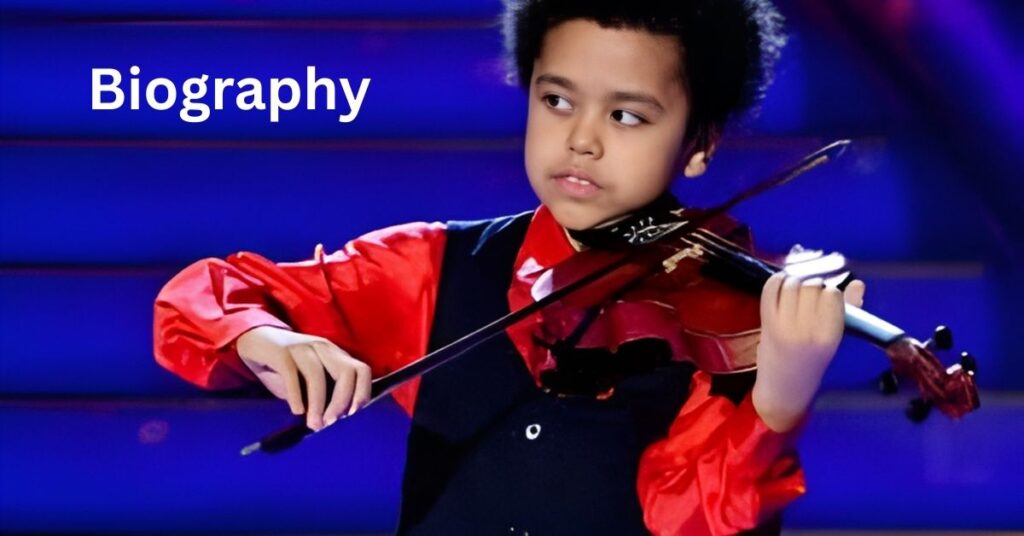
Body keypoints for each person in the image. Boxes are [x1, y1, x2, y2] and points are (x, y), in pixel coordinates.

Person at [153, 1, 866, 534]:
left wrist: (777, 401)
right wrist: (264, 338)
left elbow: (688, 514)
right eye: (556, 100)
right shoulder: (433, 266)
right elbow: (208, 296)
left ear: (700, 143)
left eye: (627, 117)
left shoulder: (720, 313)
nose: (580, 140)